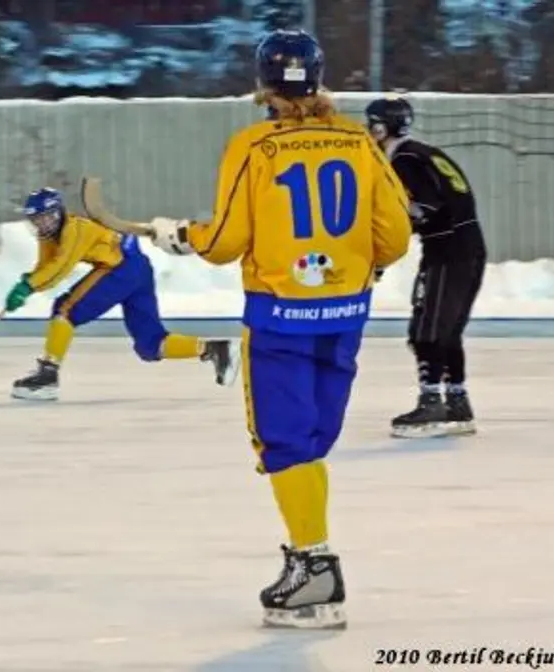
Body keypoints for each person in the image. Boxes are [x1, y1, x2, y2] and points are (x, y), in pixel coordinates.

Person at [139, 30, 411, 629]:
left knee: (284, 442)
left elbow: (229, 238)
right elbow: (393, 236)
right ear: (318, 78)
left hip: (279, 317)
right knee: (312, 439)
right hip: (343, 316)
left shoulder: (254, 147)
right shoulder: (359, 143)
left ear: (263, 83)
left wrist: (183, 235)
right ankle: (311, 557)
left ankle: (314, 569)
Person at [5, 187, 239, 401]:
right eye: (36, 220)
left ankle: (48, 376)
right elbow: (46, 265)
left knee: (64, 309)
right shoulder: (49, 236)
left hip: (120, 268)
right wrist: (27, 284)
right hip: (137, 267)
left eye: (46, 217)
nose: (42, 224)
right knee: (150, 345)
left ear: (58, 213)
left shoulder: (75, 229)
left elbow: (59, 267)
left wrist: (28, 287)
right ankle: (215, 349)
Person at [365, 96, 487, 438]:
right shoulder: (424, 151)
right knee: (446, 330)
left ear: (380, 127)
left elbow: (424, 206)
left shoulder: (403, 158)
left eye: (370, 124)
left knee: (426, 329)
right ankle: (458, 402)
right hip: (467, 247)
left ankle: (432, 402)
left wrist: (382, 247)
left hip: (447, 250)